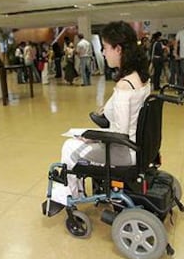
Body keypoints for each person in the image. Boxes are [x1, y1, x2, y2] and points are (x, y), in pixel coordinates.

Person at [58, 20, 151, 200]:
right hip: (138, 145)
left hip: (124, 151)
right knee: (82, 141)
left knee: (69, 147)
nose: (103, 52)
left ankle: (72, 197)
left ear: (118, 49)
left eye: (105, 47)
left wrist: (92, 137)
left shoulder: (124, 86)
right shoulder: (141, 79)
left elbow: (120, 135)